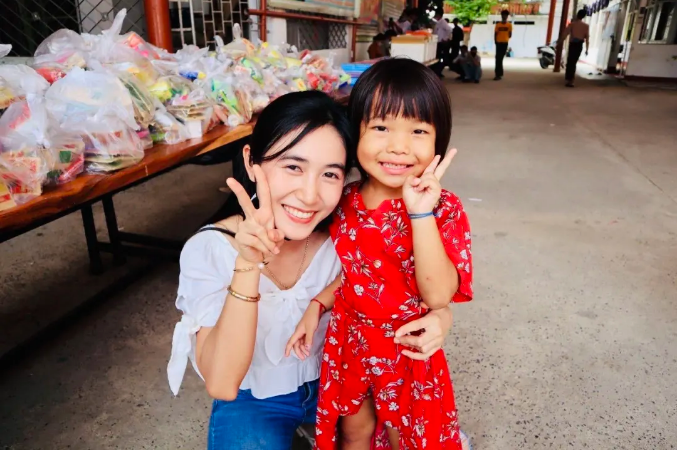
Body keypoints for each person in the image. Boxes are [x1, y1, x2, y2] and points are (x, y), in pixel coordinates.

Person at [167, 90, 458, 450]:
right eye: (293, 167)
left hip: (343, 378)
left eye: (330, 174)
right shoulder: (210, 249)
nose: (309, 195)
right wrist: (247, 264)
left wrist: (441, 315)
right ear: (250, 159)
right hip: (257, 397)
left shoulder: (347, 231)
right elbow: (223, 384)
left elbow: (404, 283)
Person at [287, 59, 473, 449]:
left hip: (407, 348)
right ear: (355, 130)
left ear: (438, 140)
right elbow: (358, 274)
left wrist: (420, 213)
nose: (398, 147)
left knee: (403, 436)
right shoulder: (345, 200)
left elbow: (438, 296)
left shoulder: (444, 209)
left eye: (418, 131)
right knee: (353, 431)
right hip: (351, 343)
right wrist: (318, 305)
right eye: (381, 128)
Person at [561, 9, 590, 87]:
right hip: (579, 45)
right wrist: (587, 49)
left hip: (573, 45)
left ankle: (569, 80)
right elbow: (587, 38)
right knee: (573, 62)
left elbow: (565, 34)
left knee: (570, 62)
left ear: (577, 15)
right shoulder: (586, 26)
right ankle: (571, 80)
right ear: (584, 16)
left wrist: (560, 42)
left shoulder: (572, 24)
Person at [432, 10, 453, 77]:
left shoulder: (443, 22)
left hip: (441, 42)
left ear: (438, 15)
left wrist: (445, 38)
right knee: (438, 58)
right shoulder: (438, 23)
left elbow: (449, 29)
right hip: (438, 42)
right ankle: (437, 72)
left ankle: (438, 72)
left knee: (441, 58)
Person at [494, 10, 512, 80]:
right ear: (501, 16)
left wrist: (505, 37)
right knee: (498, 58)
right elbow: (495, 34)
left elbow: (510, 35)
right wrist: (496, 42)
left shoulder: (509, 25)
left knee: (500, 58)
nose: (504, 16)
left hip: (505, 43)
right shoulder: (498, 25)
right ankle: (498, 74)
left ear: (507, 16)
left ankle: (499, 74)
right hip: (498, 43)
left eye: (505, 15)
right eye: (503, 15)